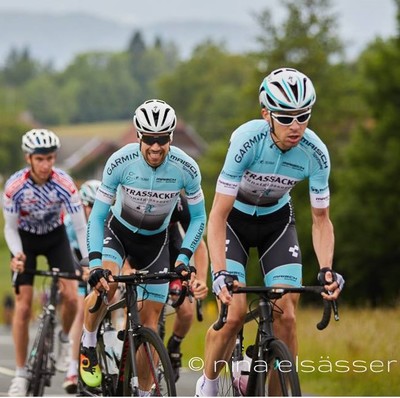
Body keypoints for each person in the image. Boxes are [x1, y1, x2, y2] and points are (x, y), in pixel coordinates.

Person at [195, 67, 345, 396]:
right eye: (286, 117)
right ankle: (207, 385)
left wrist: (326, 270)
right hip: (234, 221)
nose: (296, 126)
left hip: (276, 223)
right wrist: (219, 273)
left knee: (286, 315)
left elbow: (321, 220)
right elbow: (218, 215)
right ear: (267, 114)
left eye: (303, 116)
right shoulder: (248, 140)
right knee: (233, 314)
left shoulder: (316, 153)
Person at [79, 99, 206, 394]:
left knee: (150, 323)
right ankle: (87, 344)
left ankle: (144, 391)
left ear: (171, 137)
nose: (156, 147)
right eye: (149, 139)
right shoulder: (119, 161)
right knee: (106, 286)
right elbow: (98, 216)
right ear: (139, 136)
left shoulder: (186, 167)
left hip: (155, 243)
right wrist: (96, 264)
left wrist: (185, 257)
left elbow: (199, 217)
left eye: (162, 139)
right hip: (118, 234)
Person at [2, 129, 88, 397]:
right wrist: (17, 255)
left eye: (50, 158)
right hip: (25, 239)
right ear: (29, 158)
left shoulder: (64, 183)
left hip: (55, 237)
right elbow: (10, 229)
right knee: (23, 306)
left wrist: (87, 261)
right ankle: (20, 374)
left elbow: (81, 227)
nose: (46, 164)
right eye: (40, 159)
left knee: (73, 297)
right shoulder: (15, 187)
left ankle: (63, 339)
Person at [62, 179, 101, 394]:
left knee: (113, 302)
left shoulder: (106, 220)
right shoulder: (71, 222)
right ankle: (72, 368)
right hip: (78, 268)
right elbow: (66, 252)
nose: (93, 210)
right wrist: (78, 272)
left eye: (97, 205)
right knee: (80, 311)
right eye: (90, 206)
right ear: (82, 205)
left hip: (97, 269)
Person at [165, 193, 209, 382]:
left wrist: (200, 279)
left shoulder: (180, 203)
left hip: (171, 255)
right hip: (140, 255)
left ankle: (174, 345)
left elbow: (199, 245)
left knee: (187, 311)